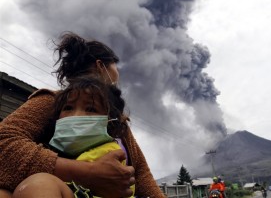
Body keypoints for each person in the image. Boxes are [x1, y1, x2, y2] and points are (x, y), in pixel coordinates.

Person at [0, 32, 165, 197]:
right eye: (115, 66)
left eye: (92, 109)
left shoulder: (117, 121)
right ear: (101, 66)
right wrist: (89, 172)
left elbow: (141, 173)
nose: (117, 76)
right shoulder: (52, 101)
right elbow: (5, 141)